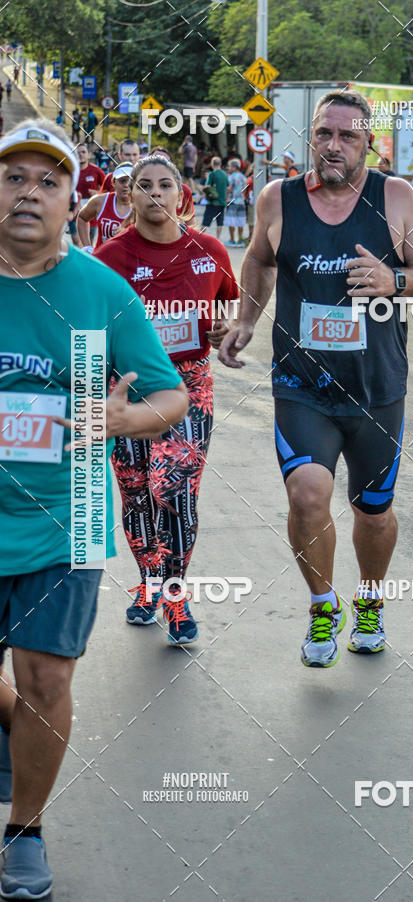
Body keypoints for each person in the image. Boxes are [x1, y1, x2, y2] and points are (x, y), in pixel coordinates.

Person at [0, 118, 188, 899]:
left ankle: (25, 832)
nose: (29, 193)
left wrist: (125, 420)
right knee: (24, 700)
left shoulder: (103, 291)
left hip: (68, 512)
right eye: (14, 177)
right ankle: (16, 730)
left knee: (46, 680)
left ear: (75, 203)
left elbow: (172, 395)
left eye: (49, 182)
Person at [218, 89, 413, 667]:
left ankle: (368, 601)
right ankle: (324, 607)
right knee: (307, 493)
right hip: (302, 387)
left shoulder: (394, 197)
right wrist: (247, 319)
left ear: (368, 141)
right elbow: (259, 259)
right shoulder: (280, 198)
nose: (334, 144)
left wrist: (394, 280)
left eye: (348, 135)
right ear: (312, 138)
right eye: (324, 133)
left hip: (376, 388)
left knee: (373, 510)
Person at [95, 154, 238, 644]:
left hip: (190, 384)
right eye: (144, 185)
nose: (155, 193)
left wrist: (223, 331)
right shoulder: (109, 258)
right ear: (129, 196)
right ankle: (150, 579)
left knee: (172, 488)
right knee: (135, 493)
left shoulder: (210, 250)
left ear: (181, 194)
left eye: (165, 185)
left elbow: (226, 308)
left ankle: (176, 594)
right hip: (129, 389)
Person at [76, 162, 132, 250]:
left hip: (130, 261)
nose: (126, 185)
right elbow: (82, 218)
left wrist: (127, 235)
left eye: (130, 181)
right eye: (122, 181)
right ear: (113, 182)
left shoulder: (142, 206)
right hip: (102, 260)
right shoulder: (100, 201)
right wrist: (87, 246)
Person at [201, 155, 227, 240]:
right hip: (222, 202)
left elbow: (207, 186)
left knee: (206, 221)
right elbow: (228, 187)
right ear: (220, 164)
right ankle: (218, 239)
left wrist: (203, 190)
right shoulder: (224, 174)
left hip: (212, 202)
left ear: (212, 164)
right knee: (220, 222)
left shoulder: (212, 174)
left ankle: (200, 238)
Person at [225, 158, 247, 247]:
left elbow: (229, 188)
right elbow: (245, 189)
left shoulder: (231, 177)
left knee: (231, 221)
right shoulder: (243, 177)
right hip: (241, 201)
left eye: (229, 167)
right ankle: (240, 240)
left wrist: (226, 197)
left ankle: (232, 240)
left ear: (234, 167)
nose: (228, 168)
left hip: (232, 201)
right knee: (240, 221)